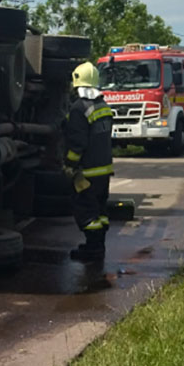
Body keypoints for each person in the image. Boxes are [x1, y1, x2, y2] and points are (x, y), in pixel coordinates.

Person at [63, 62, 115, 263]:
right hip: (104, 171)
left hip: (87, 173)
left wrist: (69, 165)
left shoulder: (78, 109)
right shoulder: (103, 106)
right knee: (100, 211)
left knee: (85, 211)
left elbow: (78, 143)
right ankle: (97, 246)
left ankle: (92, 250)